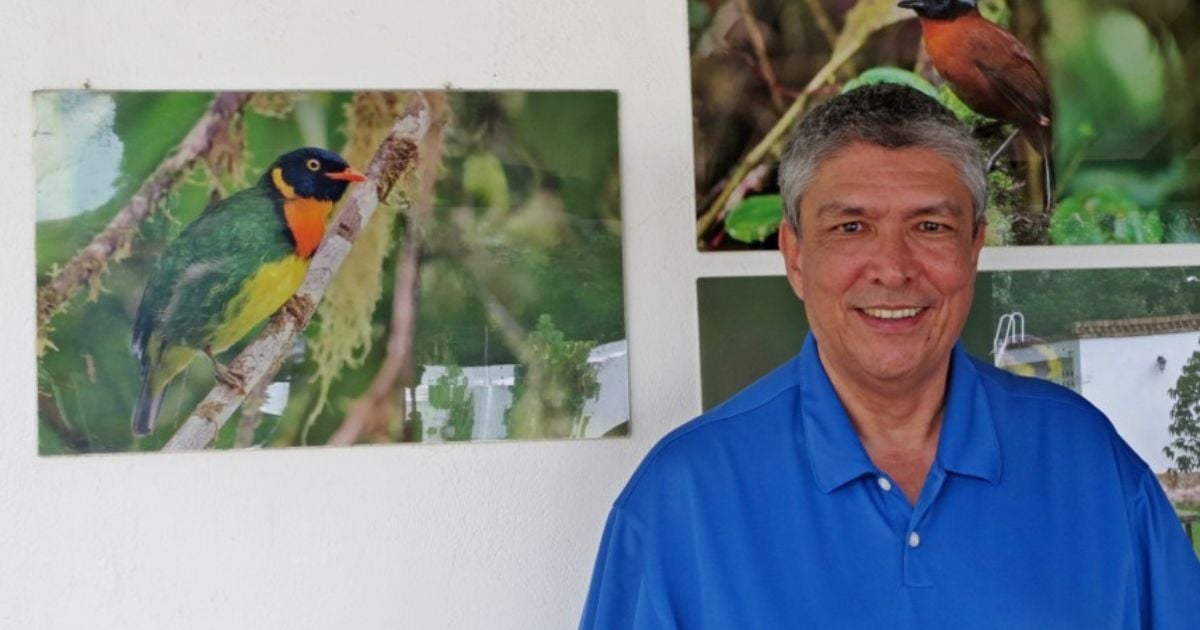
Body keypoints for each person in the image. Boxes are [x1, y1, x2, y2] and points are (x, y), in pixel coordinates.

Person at [580, 83, 1200, 628]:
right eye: (851, 227)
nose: (894, 270)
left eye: (930, 227)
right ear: (794, 256)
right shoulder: (683, 497)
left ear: (975, 245)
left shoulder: (1089, 462)